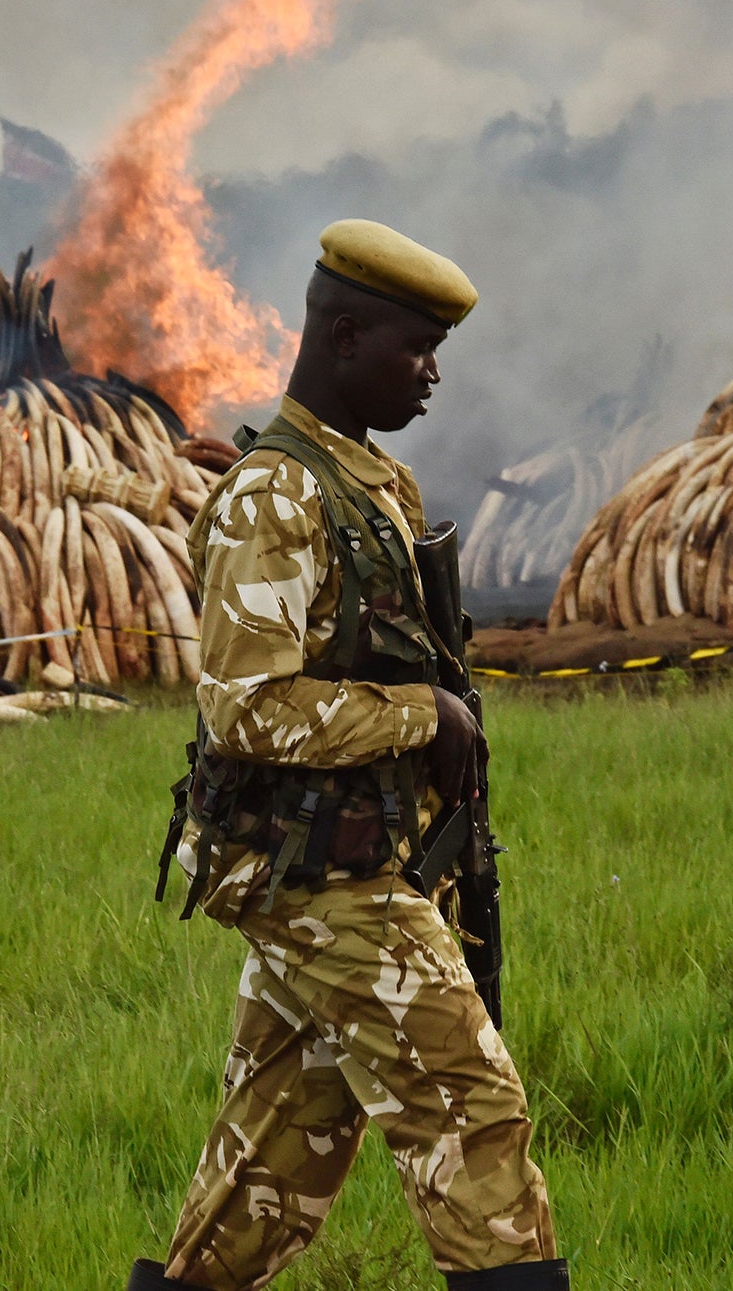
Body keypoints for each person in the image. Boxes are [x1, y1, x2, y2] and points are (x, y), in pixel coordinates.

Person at [126, 221, 567, 1291]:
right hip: (321, 874)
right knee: (469, 1112)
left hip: (347, 858)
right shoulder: (276, 494)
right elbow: (246, 708)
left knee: (271, 1161)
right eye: (414, 349)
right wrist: (422, 715)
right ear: (344, 334)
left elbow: (340, 617)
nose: (430, 375)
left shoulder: (360, 482)